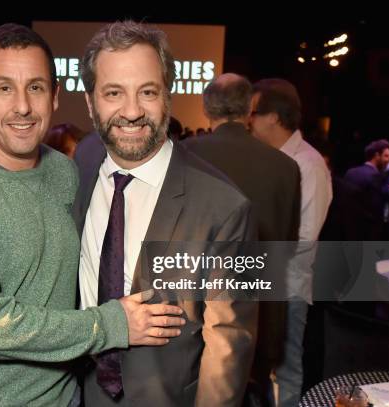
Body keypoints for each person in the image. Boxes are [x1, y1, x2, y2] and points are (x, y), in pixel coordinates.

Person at [0, 23, 184, 407]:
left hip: (70, 395)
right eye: (5, 88)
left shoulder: (65, 171)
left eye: (35, 87)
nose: (22, 106)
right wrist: (112, 324)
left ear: (54, 96)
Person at [75, 21, 257, 407]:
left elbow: (229, 345)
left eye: (147, 92)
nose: (131, 111)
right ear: (90, 102)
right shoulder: (83, 160)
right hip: (79, 394)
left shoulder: (225, 206)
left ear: (168, 97)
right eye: (113, 93)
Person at [184, 73, 301, 403]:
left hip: (195, 313)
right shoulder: (285, 167)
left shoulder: (182, 156)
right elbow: (288, 246)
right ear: (250, 106)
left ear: (206, 108)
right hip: (262, 311)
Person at [250, 78, 332, 406]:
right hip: (261, 280)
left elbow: (305, 237)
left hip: (287, 286)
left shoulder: (308, 164)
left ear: (274, 117)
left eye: (253, 112)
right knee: (258, 370)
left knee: (284, 368)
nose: (247, 119)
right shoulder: (267, 158)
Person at [344, 139, 389, 240]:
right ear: (377, 155)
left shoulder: (350, 172)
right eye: (386, 156)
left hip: (346, 233)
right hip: (367, 236)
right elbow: (376, 211)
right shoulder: (377, 178)